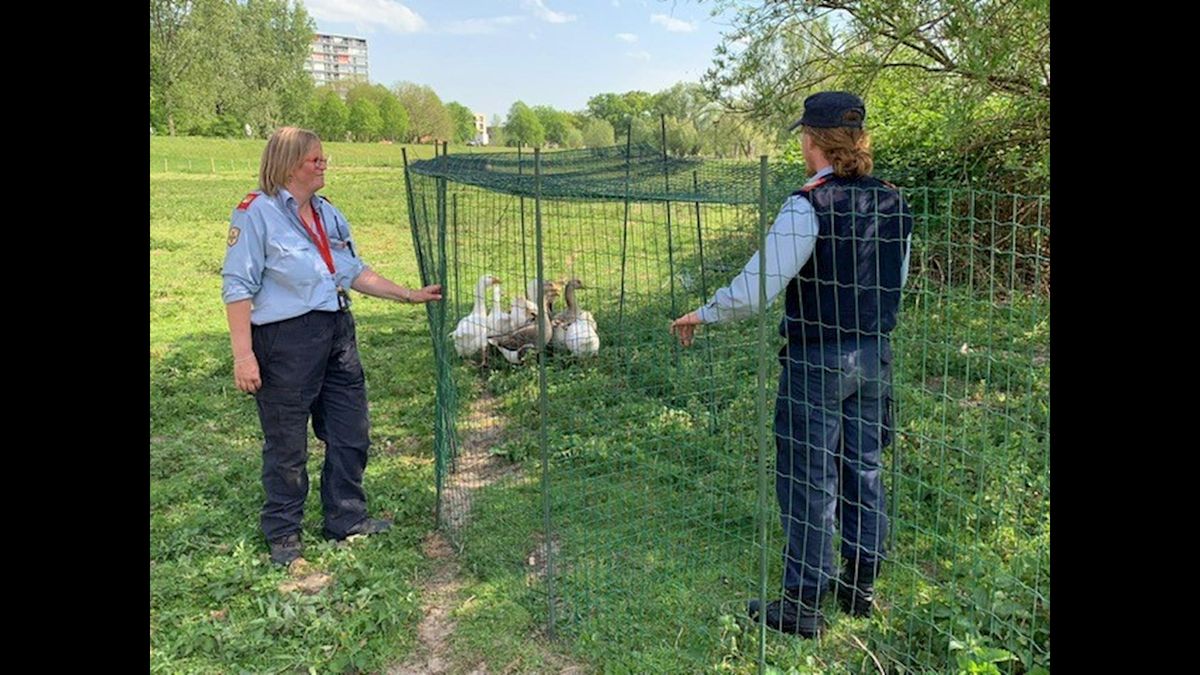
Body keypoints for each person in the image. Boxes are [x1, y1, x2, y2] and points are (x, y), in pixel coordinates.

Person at [670, 92, 913, 637]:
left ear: (814, 141)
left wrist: (704, 313)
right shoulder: (894, 201)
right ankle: (860, 586)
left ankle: (803, 603)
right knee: (864, 468)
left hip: (817, 359)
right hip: (875, 355)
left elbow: (759, 288)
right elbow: (895, 281)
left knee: (808, 475)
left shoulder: (808, 205)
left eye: (804, 135)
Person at [222, 126, 442, 566]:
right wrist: (243, 355)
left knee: (350, 430)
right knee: (286, 444)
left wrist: (408, 294)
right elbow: (237, 287)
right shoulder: (256, 213)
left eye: (324, 158)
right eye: (314, 160)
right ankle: (284, 535)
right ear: (287, 165)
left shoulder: (327, 213)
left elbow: (351, 270)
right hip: (285, 340)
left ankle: (346, 518)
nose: (324, 165)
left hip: (337, 332)